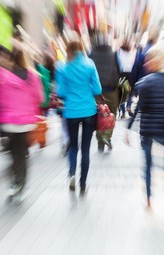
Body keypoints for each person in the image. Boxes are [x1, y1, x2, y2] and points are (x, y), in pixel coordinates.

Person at [125, 42, 164, 209]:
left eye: (148, 60)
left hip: (148, 130)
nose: (146, 63)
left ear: (156, 62)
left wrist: (128, 128)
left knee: (148, 166)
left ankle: (148, 201)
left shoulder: (144, 83)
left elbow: (140, 107)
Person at [0, 49, 44, 202]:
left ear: (10, 60)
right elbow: (40, 98)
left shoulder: (1, 75)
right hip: (26, 123)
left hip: (7, 122)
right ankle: (20, 186)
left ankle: (14, 184)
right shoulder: (33, 77)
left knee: (11, 155)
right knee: (22, 155)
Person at [55, 41, 102, 196]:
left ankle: (72, 173)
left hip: (71, 112)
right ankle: (83, 184)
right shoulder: (90, 64)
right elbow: (97, 89)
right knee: (86, 149)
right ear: (81, 48)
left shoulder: (63, 66)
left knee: (73, 146)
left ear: (67, 49)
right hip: (89, 110)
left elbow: (60, 92)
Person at [90, 33, 120, 152]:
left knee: (99, 114)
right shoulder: (113, 54)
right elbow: (120, 69)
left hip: (96, 90)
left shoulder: (91, 54)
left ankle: (100, 140)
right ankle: (107, 136)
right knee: (111, 113)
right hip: (112, 89)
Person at [117, 40, 135, 119]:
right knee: (129, 91)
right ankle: (129, 106)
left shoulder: (118, 52)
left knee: (122, 92)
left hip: (121, 74)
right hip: (130, 73)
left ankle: (123, 113)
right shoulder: (131, 53)